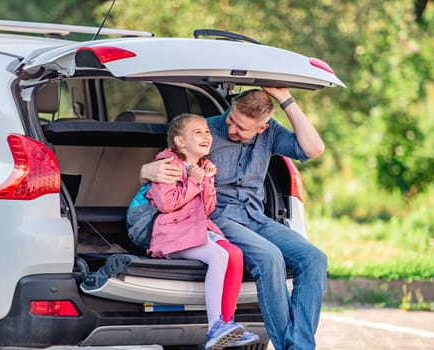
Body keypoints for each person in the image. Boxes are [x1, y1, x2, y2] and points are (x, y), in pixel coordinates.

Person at [141, 88, 328, 350]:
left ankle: (299, 345)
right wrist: (146, 170)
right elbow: (174, 155)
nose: (231, 129)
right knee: (270, 258)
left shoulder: (270, 133)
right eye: (231, 119)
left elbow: (314, 148)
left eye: (241, 128)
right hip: (220, 217)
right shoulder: (209, 130)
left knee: (315, 259)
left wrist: (285, 98)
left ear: (262, 128)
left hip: (256, 217)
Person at [143, 113, 260, 350]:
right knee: (219, 255)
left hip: (195, 230)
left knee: (235, 254)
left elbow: (208, 209)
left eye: (207, 131)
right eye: (198, 132)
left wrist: (206, 181)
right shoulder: (167, 165)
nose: (206, 136)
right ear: (180, 142)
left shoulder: (204, 167)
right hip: (171, 235)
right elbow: (167, 204)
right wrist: (194, 182)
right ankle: (214, 327)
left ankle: (228, 324)